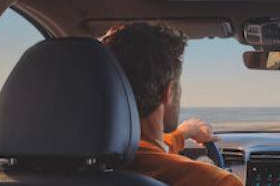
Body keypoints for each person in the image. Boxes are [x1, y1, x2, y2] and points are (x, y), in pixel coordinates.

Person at [101, 23, 243, 186]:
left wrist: (183, 133)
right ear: (167, 92)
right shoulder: (216, 181)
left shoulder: (75, 170)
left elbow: (145, 152)